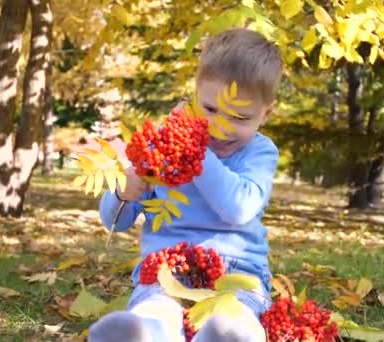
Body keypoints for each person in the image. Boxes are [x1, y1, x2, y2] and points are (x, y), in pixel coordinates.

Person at [89, 27, 283, 342]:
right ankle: (142, 332)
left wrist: (195, 150)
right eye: (210, 110)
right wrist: (125, 190)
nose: (221, 128)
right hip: (166, 266)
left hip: (237, 273)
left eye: (241, 117)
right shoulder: (166, 144)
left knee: (235, 316)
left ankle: (227, 336)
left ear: (266, 113)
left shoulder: (260, 152)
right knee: (157, 308)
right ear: (195, 94)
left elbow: (238, 208)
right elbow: (114, 221)